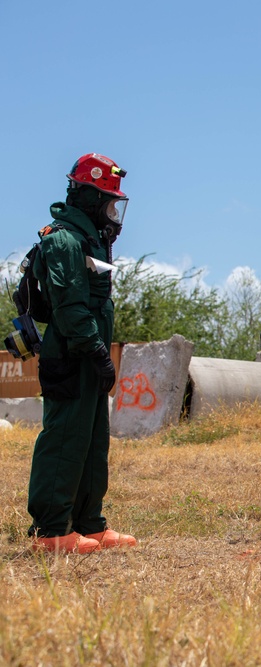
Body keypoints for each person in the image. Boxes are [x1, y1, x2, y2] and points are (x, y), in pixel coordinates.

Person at [26, 153, 135, 554]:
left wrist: (98, 353)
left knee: (92, 438)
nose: (113, 211)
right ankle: (51, 530)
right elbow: (70, 307)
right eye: (108, 200)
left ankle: (90, 523)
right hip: (72, 354)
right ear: (87, 196)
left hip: (88, 353)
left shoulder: (88, 239)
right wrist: (95, 351)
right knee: (65, 438)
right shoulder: (63, 240)